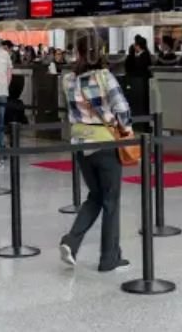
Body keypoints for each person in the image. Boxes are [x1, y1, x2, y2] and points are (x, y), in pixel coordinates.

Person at [59, 34, 131, 273]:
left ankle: (71, 240)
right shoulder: (104, 76)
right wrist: (126, 129)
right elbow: (122, 108)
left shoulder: (68, 80)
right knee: (111, 200)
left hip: (80, 145)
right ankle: (108, 258)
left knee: (96, 196)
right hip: (105, 143)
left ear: (78, 52)